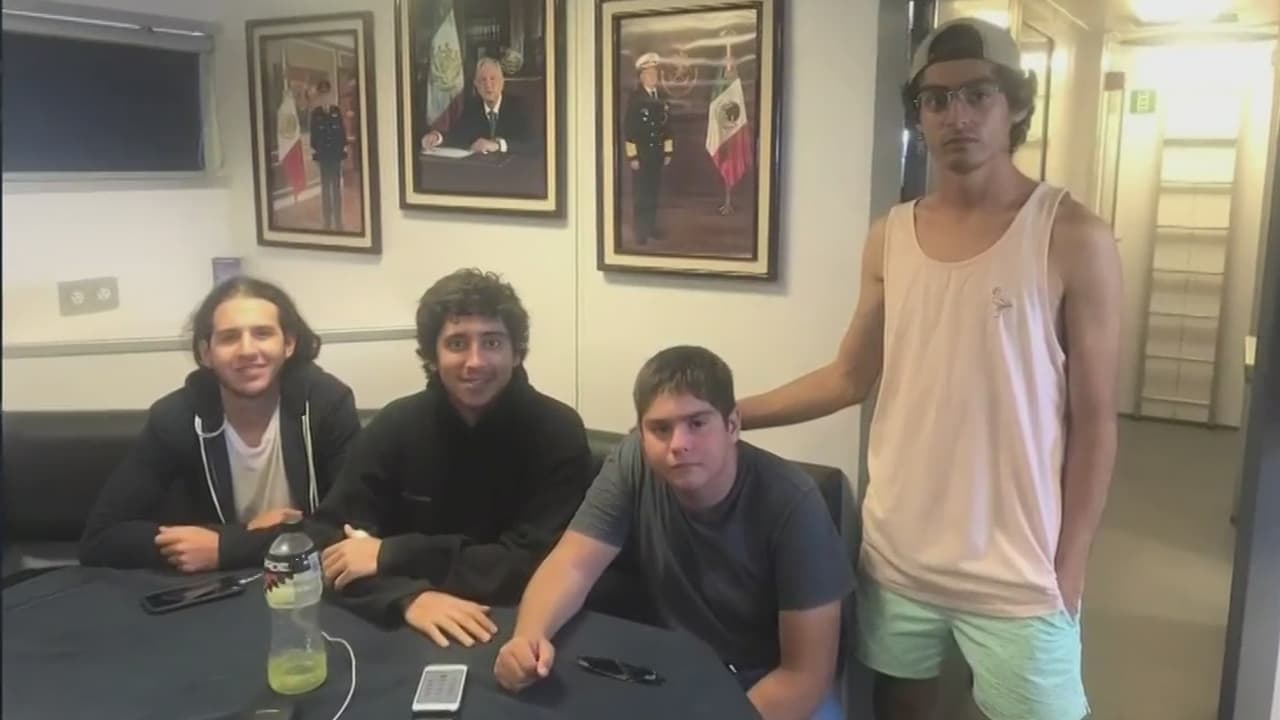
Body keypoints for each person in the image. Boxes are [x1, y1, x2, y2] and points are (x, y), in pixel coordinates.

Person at [736, 17, 1122, 720]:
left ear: (1015, 105)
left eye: (977, 94)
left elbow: (1095, 422)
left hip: (1019, 572)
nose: (956, 116)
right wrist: (730, 415)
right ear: (918, 116)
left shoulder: (1071, 235)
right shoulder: (890, 237)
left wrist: (1071, 565)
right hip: (899, 558)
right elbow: (849, 377)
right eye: (935, 100)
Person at [494, 346, 852, 720]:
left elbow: (804, 677)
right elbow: (572, 565)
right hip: (677, 672)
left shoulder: (793, 503)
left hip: (770, 687)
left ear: (732, 425)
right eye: (660, 429)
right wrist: (527, 638)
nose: (678, 444)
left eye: (697, 423)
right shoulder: (632, 462)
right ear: (641, 433)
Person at [312, 269, 592, 648]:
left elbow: (533, 566)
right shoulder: (396, 424)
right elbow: (330, 542)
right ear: (432, 356)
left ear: (516, 353)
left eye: (492, 342)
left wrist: (392, 554)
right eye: (457, 343)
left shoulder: (557, 430)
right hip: (403, 621)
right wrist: (407, 597)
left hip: (520, 627)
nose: (475, 361)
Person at [80, 277, 361, 572]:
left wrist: (228, 546)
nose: (247, 350)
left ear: (288, 344)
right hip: (219, 588)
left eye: (263, 334)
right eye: (229, 338)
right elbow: (101, 538)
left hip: (307, 580)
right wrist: (244, 536)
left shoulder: (326, 404)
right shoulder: (176, 417)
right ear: (206, 353)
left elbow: (352, 526)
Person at [421, 58, 534, 155]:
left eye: (493, 79)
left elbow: (533, 145)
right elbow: (457, 137)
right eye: (483, 80)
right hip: (480, 169)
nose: (488, 85)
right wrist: (437, 138)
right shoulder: (472, 107)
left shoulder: (518, 106)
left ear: (502, 82)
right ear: (476, 84)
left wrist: (497, 145)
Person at [624, 52, 673, 245]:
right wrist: (632, 156)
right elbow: (629, 129)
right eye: (650, 74)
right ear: (642, 77)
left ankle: (651, 228)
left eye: (655, 74)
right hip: (642, 155)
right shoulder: (635, 99)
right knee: (641, 195)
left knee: (653, 193)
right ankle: (641, 232)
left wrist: (668, 151)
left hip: (657, 154)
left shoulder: (662, 97)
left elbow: (667, 126)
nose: (654, 77)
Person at [309, 79, 348, 231]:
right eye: (322, 94)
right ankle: (327, 221)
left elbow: (342, 134)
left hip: (336, 157)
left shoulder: (336, 111)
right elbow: (313, 139)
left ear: (330, 95)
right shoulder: (316, 114)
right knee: (325, 189)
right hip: (324, 158)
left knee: (336, 189)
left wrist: (343, 154)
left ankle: (338, 221)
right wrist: (317, 156)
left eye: (327, 94)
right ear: (319, 96)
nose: (325, 97)